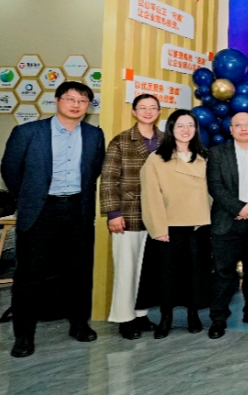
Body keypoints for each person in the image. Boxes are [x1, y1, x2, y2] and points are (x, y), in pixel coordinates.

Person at [1, 81, 105, 358]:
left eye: (82, 101)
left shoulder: (94, 135)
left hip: (77, 210)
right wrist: (31, 197)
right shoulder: (27, 132)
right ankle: (24, 336)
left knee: (79, 272)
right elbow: (10, 170)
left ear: (88, 106)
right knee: (29, 276)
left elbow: (93, 170)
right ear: (57, 101)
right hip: (40, 211)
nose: (76, 105)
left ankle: (79, 325)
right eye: (70, 99)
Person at [139, 109, 213, 339]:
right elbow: (150, 196)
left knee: (196, 274)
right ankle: (166, 317)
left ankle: (193, 314)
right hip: (169, 227)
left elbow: (212, 193)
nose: (185, 130)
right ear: (171, 129)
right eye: (180, 125)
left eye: (190, 125)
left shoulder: (204, 157)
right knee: (167, 276)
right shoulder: (157, 159)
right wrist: (158, 228)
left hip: (198, 226)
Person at [101, 94, 163, 340]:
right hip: (128, 214)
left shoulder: (166, 140)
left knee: (146, 270)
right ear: (134, 111)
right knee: (126, 268)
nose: (148, 111)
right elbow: (108, 179)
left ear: (159, 111)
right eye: (142, 107)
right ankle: (124, 318)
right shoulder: (121, 141)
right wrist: (113, 213)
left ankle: (141, 314)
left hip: (157, 216)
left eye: (153, 107)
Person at [207, 112, 248, 339]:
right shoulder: (217, 153)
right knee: (223, 273)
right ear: (231, 129)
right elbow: (215, 185)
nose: (244, 128)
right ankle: (218, 319)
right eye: (238, 125)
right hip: (225, 222)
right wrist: (238, 207)